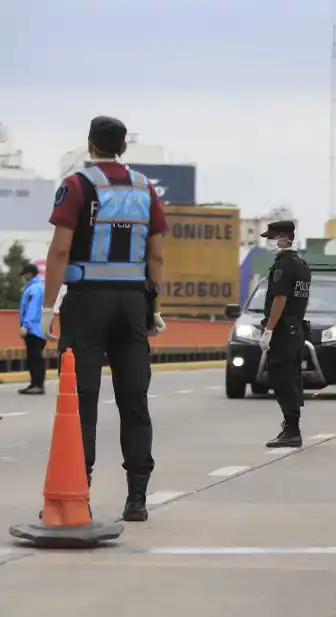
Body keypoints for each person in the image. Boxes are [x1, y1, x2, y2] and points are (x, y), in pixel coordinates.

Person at [43, 115, 168, 522]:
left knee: (83, 400)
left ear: (89, 144)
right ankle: (137, 499)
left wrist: (48, 308)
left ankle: (81, 492)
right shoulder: (145, 188)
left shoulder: (78, 185)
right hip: (132, 303)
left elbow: (60, 250)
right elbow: (157, 255)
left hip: (87, 302)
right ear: (123, 147)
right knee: (134, 398)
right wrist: (154, 307)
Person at [259, 220, 311, 448]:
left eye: (272, 238)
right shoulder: (302, 263)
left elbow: (280, 298)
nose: (271, 243)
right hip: (296, 327)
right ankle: (291, 427)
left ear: (283, 237)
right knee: (291, 377)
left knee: (282, 378)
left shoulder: (284, 265)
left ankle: (291, 429)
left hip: (282, 330)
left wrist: (269, 329)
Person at [18, 263, 46, 395]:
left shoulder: (34, 289)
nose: (22, 278)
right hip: (36, 328)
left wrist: (25, 325)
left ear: (29, 275)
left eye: (23, 275)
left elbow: (32, 309)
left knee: (35, 358)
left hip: (34, 329)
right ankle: (34, 384)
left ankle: (38, 385)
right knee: (32, 358)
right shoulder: (35, 287)